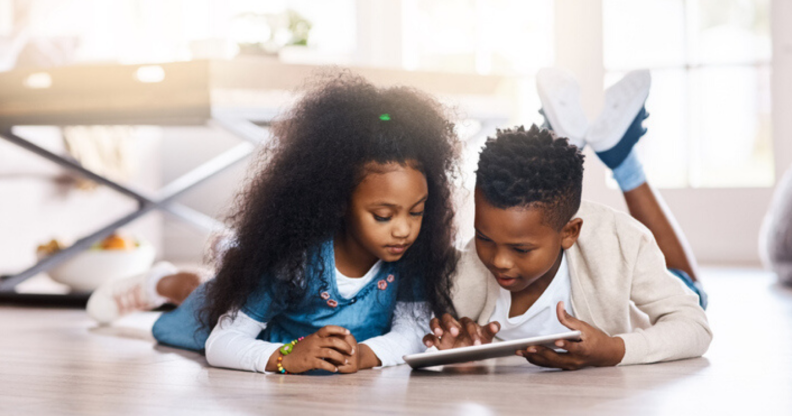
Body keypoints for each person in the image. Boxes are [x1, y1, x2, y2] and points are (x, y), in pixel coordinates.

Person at [87, 71, 461, 374]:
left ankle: (226, 253)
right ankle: (166, 282)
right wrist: (285, 357)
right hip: (263, 327)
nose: (404, 229)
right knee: (204, 304)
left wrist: (365, 354)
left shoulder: (410, 255)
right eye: (383, 215)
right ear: (337, 203)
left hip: (287, 304)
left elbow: (412, 330)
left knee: (229, 274)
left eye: (417, 211)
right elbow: (222, 344)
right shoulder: (293, 263)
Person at [423, 69, 712, 370]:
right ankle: (566, 142)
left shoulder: (620, 243)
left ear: (570, 232)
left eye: (521, 249)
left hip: (634, 288)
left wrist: (615, 349)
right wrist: (458, 346)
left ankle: (623, 159)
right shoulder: (466, 271)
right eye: (483, 238)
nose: (499, 261)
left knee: (693, 291)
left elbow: (695, 326)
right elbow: (423, 329)